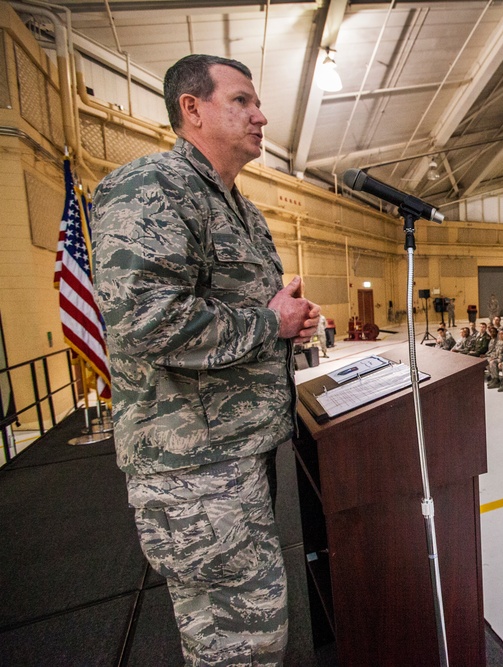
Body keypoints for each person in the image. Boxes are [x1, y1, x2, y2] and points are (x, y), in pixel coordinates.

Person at [91, 55, 320, 665]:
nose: (261, 115)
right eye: (242, 100)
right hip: (195, 470)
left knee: (236, 638)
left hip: (235, 456)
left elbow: (239, 318)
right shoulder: (151, 188)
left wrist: (284, 327)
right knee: (242, 644)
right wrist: (270, 322)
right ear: (191, 109)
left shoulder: (240, 210)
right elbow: (145, 321)